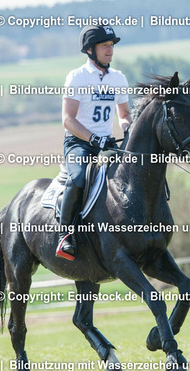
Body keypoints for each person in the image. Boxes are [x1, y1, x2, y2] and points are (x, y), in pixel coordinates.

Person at [57, 25, 131, 260]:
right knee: (78, 178)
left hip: (106, 144)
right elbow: (68, 120)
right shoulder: (77, 77)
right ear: (90, 50)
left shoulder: (118, 78)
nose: (110, 50)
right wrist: (92, 137)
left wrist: (127, 128)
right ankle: (65, 234)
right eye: (104, 46)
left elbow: (124, 114)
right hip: (79, 143)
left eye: (111, 46)